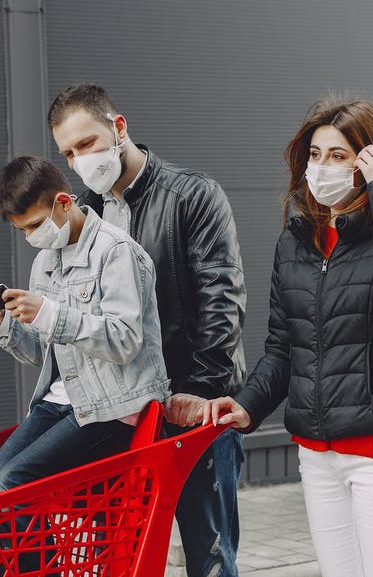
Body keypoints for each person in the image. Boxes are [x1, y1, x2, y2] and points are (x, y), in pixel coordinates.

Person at [196, 98, 373, 577]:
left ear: (368, 161)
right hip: (317, 455)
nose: (322, 166)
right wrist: (247, 404)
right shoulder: (296, 241)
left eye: (338, 155)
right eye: (315, 154)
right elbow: (283, 347)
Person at [48, 83, 247, 576]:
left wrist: (200, 391)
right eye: (69, 153)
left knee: (210, 555)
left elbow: (221, 301)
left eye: (87, 143)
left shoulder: (192, 196)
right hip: (118, 415)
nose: (80, 160)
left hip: (189, 410)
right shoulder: (82, 213)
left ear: (119, 128)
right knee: (122, 559)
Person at [0, 155, 170, 497]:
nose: (31, 237)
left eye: (35, 225)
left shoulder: (116, 251)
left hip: (113, 407)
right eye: (23, 231)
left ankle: (39, 554)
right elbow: (43, 354)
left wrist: (50, 314)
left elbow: (125, 341)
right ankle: (29, 554)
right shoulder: (45, 261)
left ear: (64, 202)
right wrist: (4, 324)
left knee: (13, 480)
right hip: (62, 402)